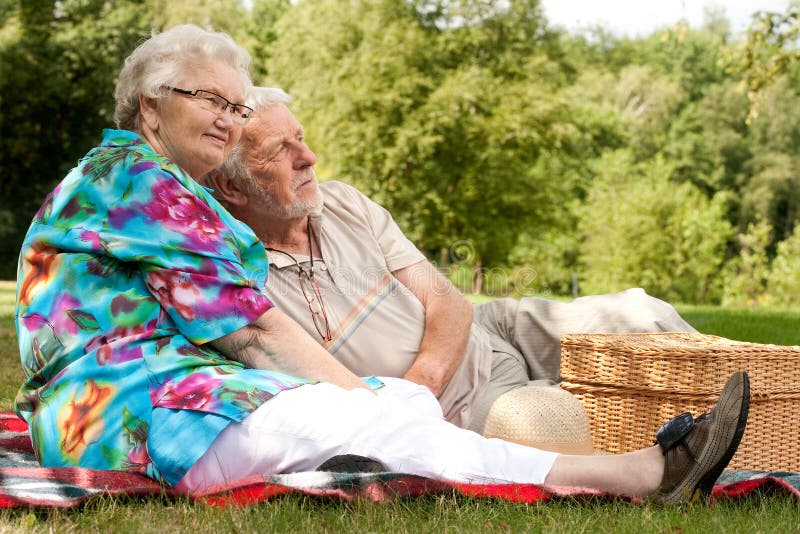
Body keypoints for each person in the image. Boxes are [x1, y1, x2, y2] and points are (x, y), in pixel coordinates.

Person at [14, 25, 748, 505]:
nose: (226, 119)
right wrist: (374, 401)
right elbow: (256, 335)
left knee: (384, 410)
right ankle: (637, 475)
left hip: (156, 403)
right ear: (148, 107)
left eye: (237, 109)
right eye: (208, 99)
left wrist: (382, 397)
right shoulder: (137, 178)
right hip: (131, 416)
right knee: (378, 419)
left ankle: (627, 468)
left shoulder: (139, 180)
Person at [207, 87, 697, 434]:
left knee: (642, 314)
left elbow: (449, 301)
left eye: (301, 137)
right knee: (556, 421)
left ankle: (765, 404)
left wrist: (421, 381)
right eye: (280, 151)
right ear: (231, 187)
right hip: (457, 407)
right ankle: (720, 459)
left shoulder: (343, 203)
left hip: (491, 330)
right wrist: (423, 401)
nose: (309, 156)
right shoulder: (232, 278)